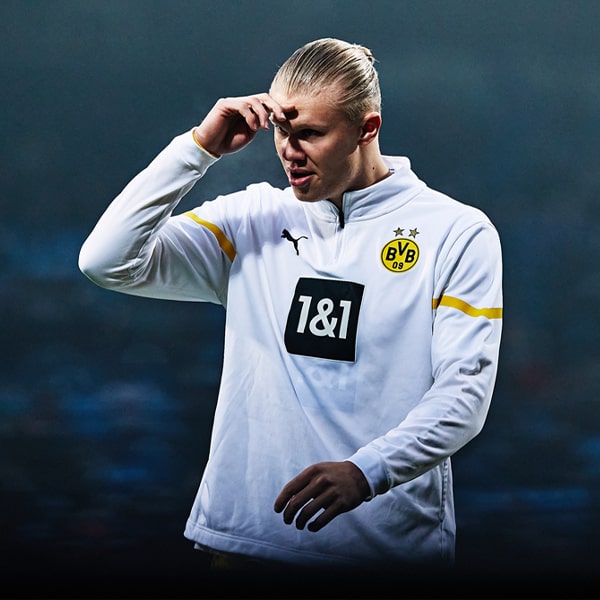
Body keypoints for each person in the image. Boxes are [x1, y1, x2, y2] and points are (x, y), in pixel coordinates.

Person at [79, 38, 503, 572]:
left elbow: (464, 394)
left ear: (367, 129)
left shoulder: (456, 232)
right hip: (244, 542)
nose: (289, 151)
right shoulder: (250, 219)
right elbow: (107, 261)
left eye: (311, 134)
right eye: (281, 130)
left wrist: (367, 471)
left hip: (382, 552)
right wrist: (197, 148)